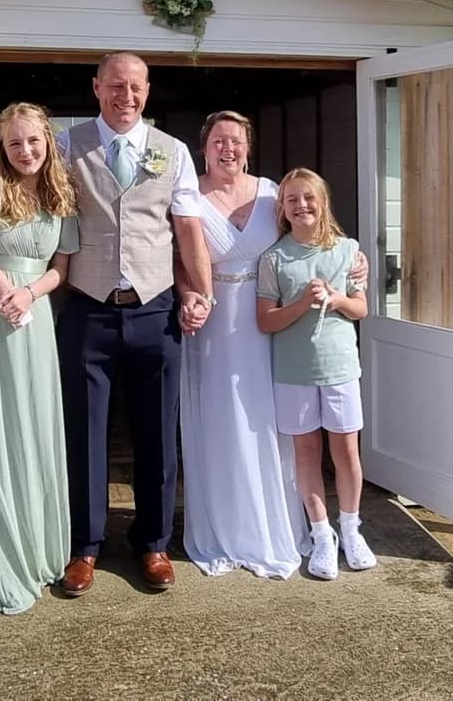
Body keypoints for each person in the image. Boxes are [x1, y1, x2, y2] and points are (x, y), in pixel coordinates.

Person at [56, 52, 214, 597]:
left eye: (137, 87)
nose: (127, 96)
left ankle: (152, 542)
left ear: (148, 91)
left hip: (155, 307)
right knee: (86, 431)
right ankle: (85, 546)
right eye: (117, 85)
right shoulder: (64, 144)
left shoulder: (172, 151)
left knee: (157, 433)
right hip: (87, 306)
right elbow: (37, 215)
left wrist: (202, 292)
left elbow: (188, 229)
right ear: (97, 87)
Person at [0, 101, 79, 614]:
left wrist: (30, 293)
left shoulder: (60, 192)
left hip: (32, 321)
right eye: (14, 143)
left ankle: (38, 550)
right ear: (2, 147)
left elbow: (60, 268)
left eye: (33, 141)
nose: (25, 151)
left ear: (47, 142)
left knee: (31, 428)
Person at [177, 111, 307, 578]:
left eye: (236, 141)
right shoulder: (187, 191)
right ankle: (224, 527)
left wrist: (354, 260)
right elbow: (174, 256)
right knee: (219, 420)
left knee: (267, 419)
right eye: (218, 140)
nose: (227, 148)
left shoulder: (273, 193)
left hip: (266, 318)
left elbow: (310, 237)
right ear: (204, 146)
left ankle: (273, 526)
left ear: (248, 147)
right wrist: (189, 295)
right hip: (212, 324)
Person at [256, 167, 378, 580]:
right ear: (283, 209)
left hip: (340, 367)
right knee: (306, 453)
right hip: (293, 371)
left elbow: (361, 310)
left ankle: (351, 528)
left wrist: (339, 297)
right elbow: (266, 322)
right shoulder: (274, 258)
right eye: (292, 200)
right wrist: (302, 303)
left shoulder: (348, 250)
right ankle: (321, 535)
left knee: (346, 452)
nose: (301, 205)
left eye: (309, 198)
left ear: (322, 202)